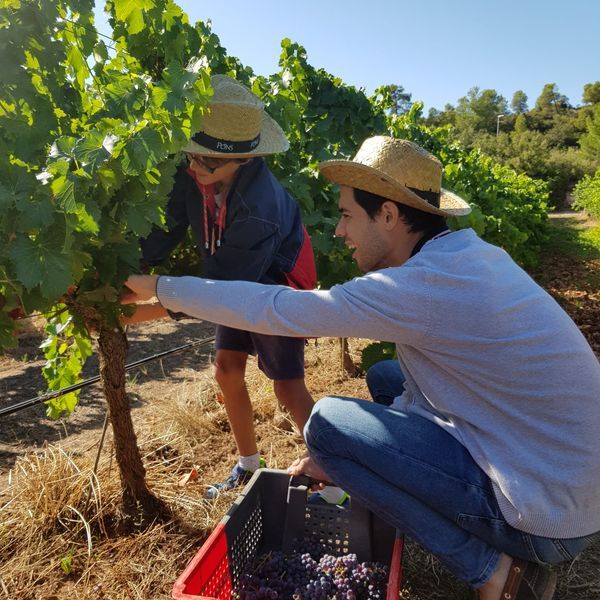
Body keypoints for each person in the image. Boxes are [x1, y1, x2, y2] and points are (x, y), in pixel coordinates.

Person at [122, 136, 600, 599]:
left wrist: (159, 286)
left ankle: (494, 573)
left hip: (548, 517)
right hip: (566, 480)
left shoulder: (418, 286)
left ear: (388, 215)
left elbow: (281, 309)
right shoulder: (466, 257)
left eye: (348, 214)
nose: (338, 230)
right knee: (388, 379)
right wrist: (351, 461)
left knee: (328, 424)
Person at [129, 74, 324, 500]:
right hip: (231, 275)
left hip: (275, 287)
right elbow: (165, 234)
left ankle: (330, 474)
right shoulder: (193, 174)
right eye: (192, 155)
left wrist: (143, 308)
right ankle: (248, 466)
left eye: (208, 163)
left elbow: (223, 289)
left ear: (244, 159)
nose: (194, 167)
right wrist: (129, 269)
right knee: (227, 369)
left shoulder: (260, 210)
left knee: (286, 386)